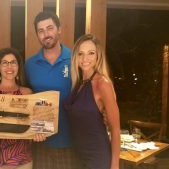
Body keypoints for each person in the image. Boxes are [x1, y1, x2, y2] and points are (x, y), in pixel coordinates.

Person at [24, 11, 78, 169]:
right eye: (41, 31)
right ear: (37, 35)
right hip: (41, 141)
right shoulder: (29, 65)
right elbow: (25, 99)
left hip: (71, 141)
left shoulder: (75, 59)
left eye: (50, 28)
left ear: (59, 30)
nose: (46, 34)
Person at [64, 34, 120, 169]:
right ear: (75, 57)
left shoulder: (103, 84)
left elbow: (115, 129)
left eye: (91, 53)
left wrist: (115, 165)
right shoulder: (78, 83)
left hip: (97, 158)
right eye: (80, 54)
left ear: (98, 56)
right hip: (78, 156)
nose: (85, 59)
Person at [0, 48, 33, 169]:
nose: (9, 66)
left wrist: (38, 133)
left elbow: (33, 124)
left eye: (13, 62)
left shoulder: (27, 93)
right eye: (5, 62)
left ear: (18, 67)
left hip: (22, 159)